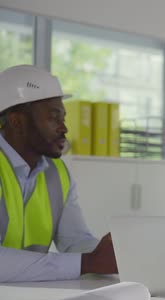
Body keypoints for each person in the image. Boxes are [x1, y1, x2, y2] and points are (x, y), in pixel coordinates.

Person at [0, 64, 117, 282]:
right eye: (54, 118)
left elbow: (74, 241)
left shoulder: (58, 173)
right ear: (17, 121)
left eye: (63, 118)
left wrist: (114, 253)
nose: (64, 128)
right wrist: (88, 262)